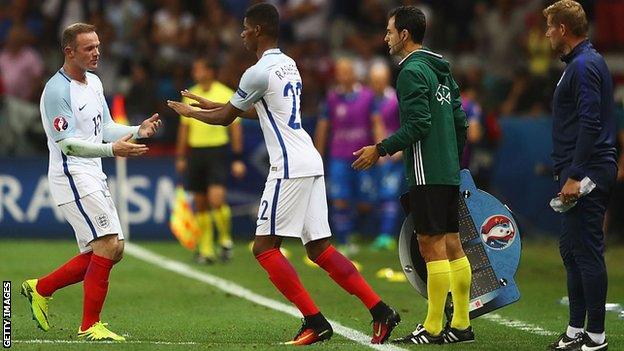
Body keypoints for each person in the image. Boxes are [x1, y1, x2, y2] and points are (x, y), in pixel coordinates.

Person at [167, 3, 400, 345]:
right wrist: (208, 104)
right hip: (309, 159)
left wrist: (191, 113)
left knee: (263, 248)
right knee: (320, 249)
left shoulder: (256, 71)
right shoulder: (289, 65)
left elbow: (227, 118)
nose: (242, 33)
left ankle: (314, 320)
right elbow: (261, 113)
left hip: (288, 165)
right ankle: (381, 312)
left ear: (258, 30)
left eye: (246, 28)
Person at [21, 23, 161, 341]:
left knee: (114, 249)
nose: (97, 52)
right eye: (89, 48)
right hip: (71, 174)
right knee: (108, 245)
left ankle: (40, 288)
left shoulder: (94, 82)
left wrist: (138, 130)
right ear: (69, 51)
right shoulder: (57, 91)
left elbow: (105, 127)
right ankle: (89, 325)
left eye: (97, 46)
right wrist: (114, 150)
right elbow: (67, 144)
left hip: (92, 172)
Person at [352, 6, 473, 345]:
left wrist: (380, 148)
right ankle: (461, 323)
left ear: (404, 35)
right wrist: (451, 155)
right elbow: (459, 121)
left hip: (426, 171)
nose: (385, 37)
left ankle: (434, 326)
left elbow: (418, 124)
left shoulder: (409, 72)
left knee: (430, 245)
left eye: (389, 31)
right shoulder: (441, 70)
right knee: (452, 244)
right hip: (447, 169)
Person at [544, 1, 616, 350]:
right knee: (572, 251)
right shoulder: (581, 63)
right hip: (580, 169)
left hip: (587, 172)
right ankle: (576, 330)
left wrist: (574, 174)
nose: (545, 34)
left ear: (562, 29)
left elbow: (590, 121)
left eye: (549, 28)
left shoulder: (585, 65)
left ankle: (597, 337)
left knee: (586, 251)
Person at [175, 57, 246, 264]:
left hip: (217, 151)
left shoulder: (224, 93)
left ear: (210, 71)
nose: (196, 72)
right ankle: (206, 250)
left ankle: (224, 238)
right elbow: (184, 128)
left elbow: (235, 128)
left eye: (199, 68)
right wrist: (181, 156)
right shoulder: (190, 94)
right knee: (201, 203)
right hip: (196, 152)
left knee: (216, 199)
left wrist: (238, 157)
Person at [314, 57, 379, 254]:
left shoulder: (368, 96)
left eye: (345, 71)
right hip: (339, 156)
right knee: (340, 199)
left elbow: (376, 122)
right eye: (339, 72)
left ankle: (355, 231)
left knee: (365, 203)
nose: (342, 75)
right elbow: (323, 127)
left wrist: (381, 147)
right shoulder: (332, 98)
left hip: (363, 156)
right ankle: (344, 240)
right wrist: (317, 154)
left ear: (354, 74)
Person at [368, 62, 402, 251]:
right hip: (374, 153)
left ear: (387, 79)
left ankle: (386, 236)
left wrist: (401, 149)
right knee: (375, 195)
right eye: (373, 81)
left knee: (389, 194)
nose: (377, 84)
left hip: (393, 154)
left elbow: (406, 124)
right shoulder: (368, 100)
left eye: (380, 80)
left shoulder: (396, 99)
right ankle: (374, 233)